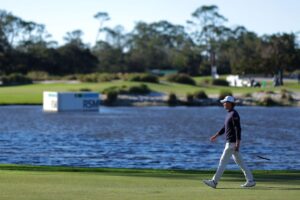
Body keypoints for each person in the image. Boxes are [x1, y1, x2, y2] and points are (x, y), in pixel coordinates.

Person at [203, 96, 255, 189]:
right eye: (223, 102)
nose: (223, 104)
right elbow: (224, 128)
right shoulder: (229, 114)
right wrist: (216, 136)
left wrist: (237, 144)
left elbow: (238, 130)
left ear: (230, 103)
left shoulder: (234, 114)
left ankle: (214, 182)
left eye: (225, 102)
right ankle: (250, 180)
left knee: (222, 162)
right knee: (241, 163)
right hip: (231, 143)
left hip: (232, 143)